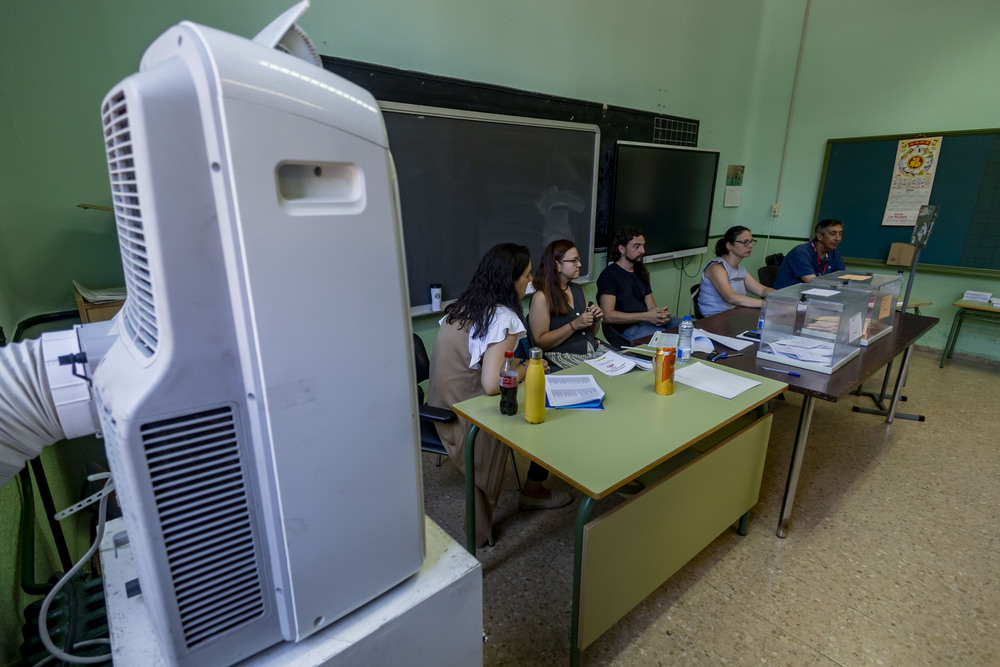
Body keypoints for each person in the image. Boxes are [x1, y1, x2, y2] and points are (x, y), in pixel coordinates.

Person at [427, 243, 570, 548]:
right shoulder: (503, 316)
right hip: (461, 417)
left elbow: (487, 363)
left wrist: (516, 366)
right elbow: (493, 383)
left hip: (437, 406)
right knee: (539, 412)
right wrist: (529, 368)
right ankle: (532, 491)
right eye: (527, 275)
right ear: (511, 279)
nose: (530, 281)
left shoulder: (466, 305)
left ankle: (533, 488)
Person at [528, 239, 610, 369]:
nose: (580, 264)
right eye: (574, 261)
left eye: (579, 260)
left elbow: (589, 334)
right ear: (557, 265)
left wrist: (595, 320)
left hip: (592, 351)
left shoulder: (577, 289)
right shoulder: (541, 297)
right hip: (562, 356)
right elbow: (540, 342)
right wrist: (575, 325)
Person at [596, 227, 679, 343]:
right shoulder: (609, 275)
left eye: (643, 246)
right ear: (622, 249)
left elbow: (651, 307)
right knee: (668, 342)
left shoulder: (640, 271)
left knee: (689, 327)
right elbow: (607, 316)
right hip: (628, 329)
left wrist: (659, 315)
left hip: (646, 322)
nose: (642, 250)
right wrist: (647, 316)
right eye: (637, 246)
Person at [697, 226, 774, 317]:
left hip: (733, 315)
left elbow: (762, 290)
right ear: (729, 245)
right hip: (715, 318)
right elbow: (730, 298)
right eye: (745, 242)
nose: (751, 246)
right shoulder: (717, 268)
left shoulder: (740, 269)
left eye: (751, 241)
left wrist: (783, 297)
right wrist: (766, 304)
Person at [772, 219, 846, 289]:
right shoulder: (801, 252)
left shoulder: (834, 254)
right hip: (786, 296)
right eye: (833, 234)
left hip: (810, 294)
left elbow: (841, 278)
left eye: (840, 234)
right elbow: (811, 281)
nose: (838, 238)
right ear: (819, 236)